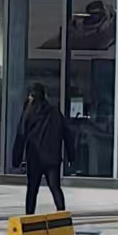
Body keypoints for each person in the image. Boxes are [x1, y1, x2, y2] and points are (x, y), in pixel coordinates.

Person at [12, 83, 74, 214]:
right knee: (55, 188)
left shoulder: (28, 113)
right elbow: (67, 134)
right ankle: (61, 214)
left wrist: (16, 159)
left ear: (32, 96)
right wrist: (71, 156)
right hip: (52, 158)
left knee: (32, 190)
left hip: (35, 158)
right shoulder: (55, 112)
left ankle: (29, 215)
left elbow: (21, 136)